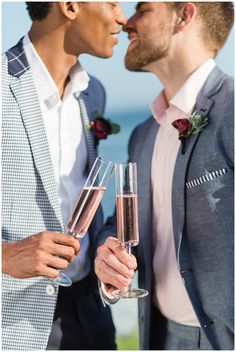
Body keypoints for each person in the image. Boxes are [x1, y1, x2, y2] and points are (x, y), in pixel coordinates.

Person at [95, 2, 234, 350]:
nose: (127, 22)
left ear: (184, 16)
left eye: (143, 10)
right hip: (160, 337)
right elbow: (127, 226)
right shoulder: (143, 135)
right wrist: (109, 259)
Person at [2, 2, 126, 350]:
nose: (122, 17)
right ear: (70, 5)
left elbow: (87, 200)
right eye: (112, 2)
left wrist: (106, 248)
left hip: (91, 317)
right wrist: (5, 257)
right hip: (12, 325)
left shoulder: (93, 93)